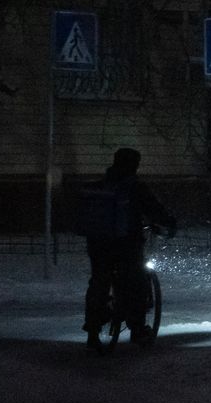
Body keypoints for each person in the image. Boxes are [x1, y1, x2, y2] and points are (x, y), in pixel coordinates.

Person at [75, 147, 176, 349]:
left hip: (98, 243)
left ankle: (93, 328)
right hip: (126, 244)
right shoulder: (135, 188)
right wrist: (169, 223)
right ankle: (137, 329)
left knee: (99, 281)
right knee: (136, 281)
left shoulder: (101, 186)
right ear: (134, 165)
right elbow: (154, 209)